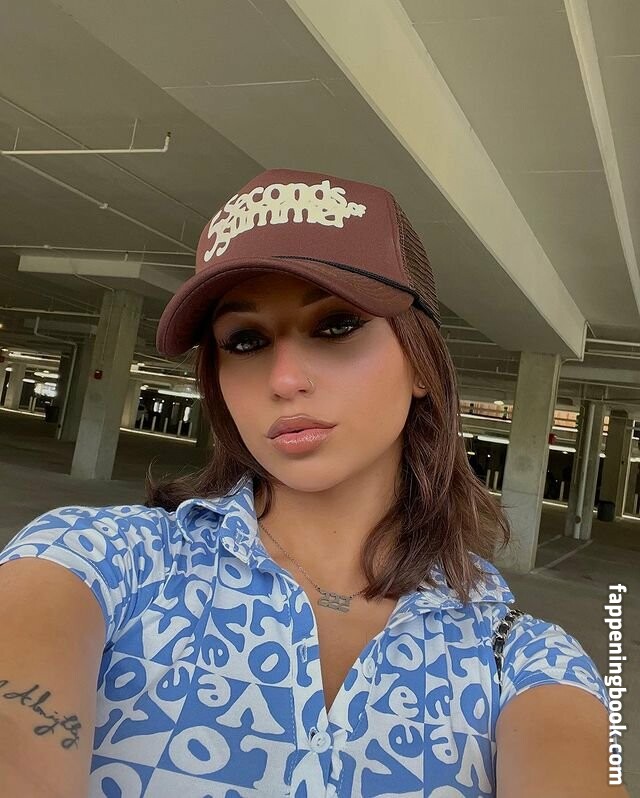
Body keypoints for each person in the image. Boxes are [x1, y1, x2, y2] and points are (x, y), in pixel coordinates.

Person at [0, 169, 626, 797]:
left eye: (335, 326)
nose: (284, 379)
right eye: (244, 340)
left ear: (422, 363)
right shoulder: (101, 561)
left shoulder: (519, 661)